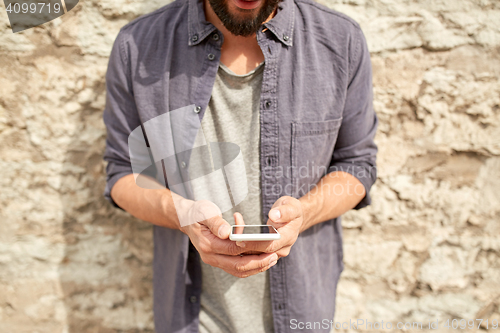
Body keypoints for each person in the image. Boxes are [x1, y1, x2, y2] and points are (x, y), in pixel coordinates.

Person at [102, 0, 378, 330]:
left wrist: (305, 213)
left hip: (304, 313)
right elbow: (123, 173)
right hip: (189, 319)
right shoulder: (138, 45)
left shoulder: (341, 40)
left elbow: (357, 165)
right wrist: (182, 214)